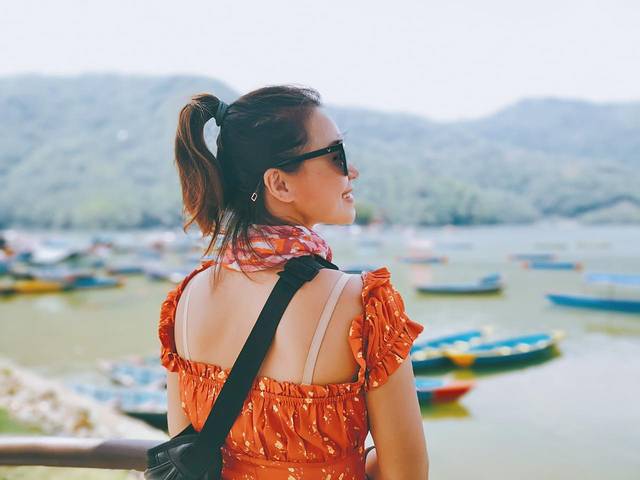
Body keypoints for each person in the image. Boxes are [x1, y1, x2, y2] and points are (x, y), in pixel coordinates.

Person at [158, 85, 429, 479]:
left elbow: (183, 450)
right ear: (280, 184)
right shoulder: (362, 305)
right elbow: (408, 473)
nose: (352, 171)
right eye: (336, 155)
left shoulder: (187, 299)